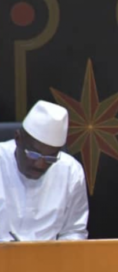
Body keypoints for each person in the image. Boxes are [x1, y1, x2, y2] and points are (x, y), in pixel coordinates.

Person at [0, 100, 89, 242]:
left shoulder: (71, 171)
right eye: (33, 154)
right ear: (18, 138)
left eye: (50, 158)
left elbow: (74, 231)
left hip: (49, 261)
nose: (40, 164)